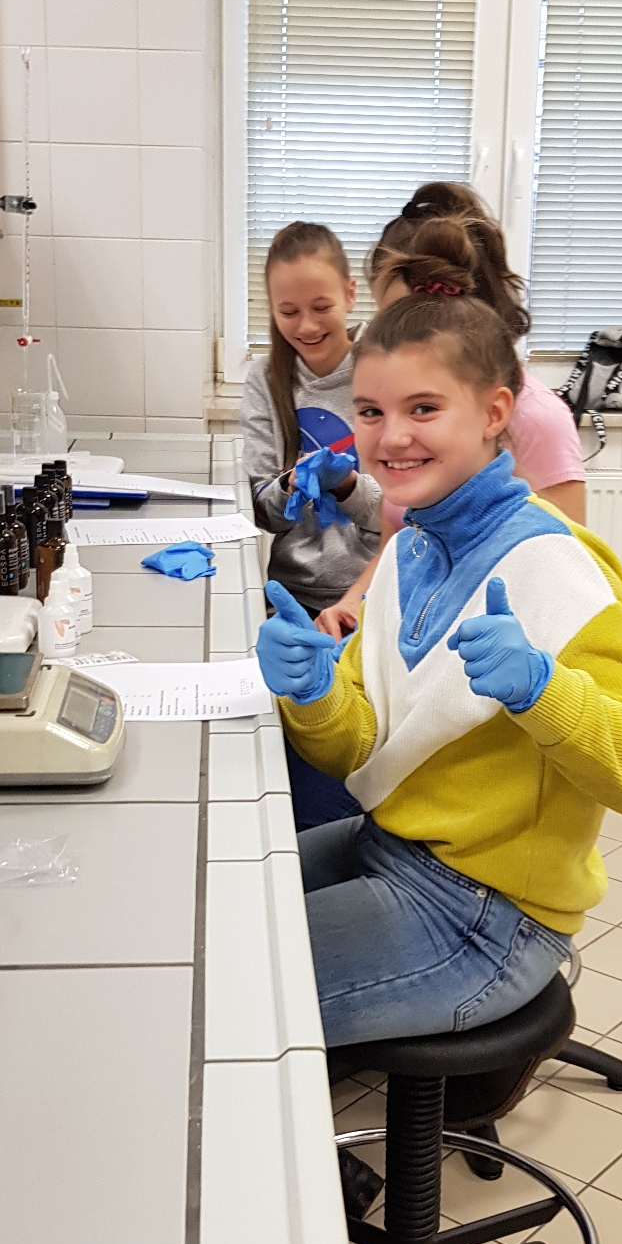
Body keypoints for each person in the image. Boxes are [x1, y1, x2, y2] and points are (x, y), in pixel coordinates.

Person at [255, 249, 622, 1049]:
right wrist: (314, 693)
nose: (390, 438)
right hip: (390, 842)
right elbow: (359, 744)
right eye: (370, 411)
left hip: (487, 914)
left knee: (235, 984)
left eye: (423, 409)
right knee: (222, 904)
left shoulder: (557, 567)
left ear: (494, 413)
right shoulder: (410, 549)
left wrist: (542, 692)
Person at [316, 182, 586, 636]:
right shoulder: (400, 423)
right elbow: (400, 547)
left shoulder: (537, 418)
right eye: (387, 319)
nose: (395, 337)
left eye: (410, 319)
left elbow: (564, 577)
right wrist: (354, 606)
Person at [240, 220, 382, 826]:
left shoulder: (381, 370)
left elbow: (399, 516)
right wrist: (289, 486)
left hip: (367, 604)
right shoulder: (265, 379)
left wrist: (347, 486)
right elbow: (259, 509)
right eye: (288, 311)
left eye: (321, 307)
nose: (306, 325)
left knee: (350, 773)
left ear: (350, 295)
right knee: (299, 770)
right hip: (293, 602)